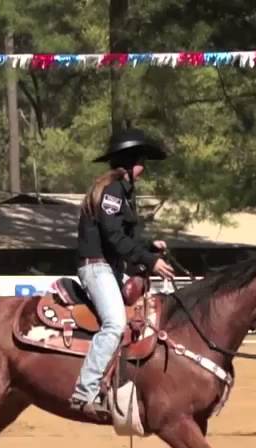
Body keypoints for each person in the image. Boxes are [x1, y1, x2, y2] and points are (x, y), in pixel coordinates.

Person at [69, 127, 176, 419]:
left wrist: (147, 247)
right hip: (97, 266)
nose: (144, 167)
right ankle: (85, 391)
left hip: (109, 267)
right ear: (129, 163)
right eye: (141, 160)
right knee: (115, 323)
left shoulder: (122, 192)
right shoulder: (113, 191)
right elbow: (113, 236)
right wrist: (149, 260)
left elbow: (119, 237)